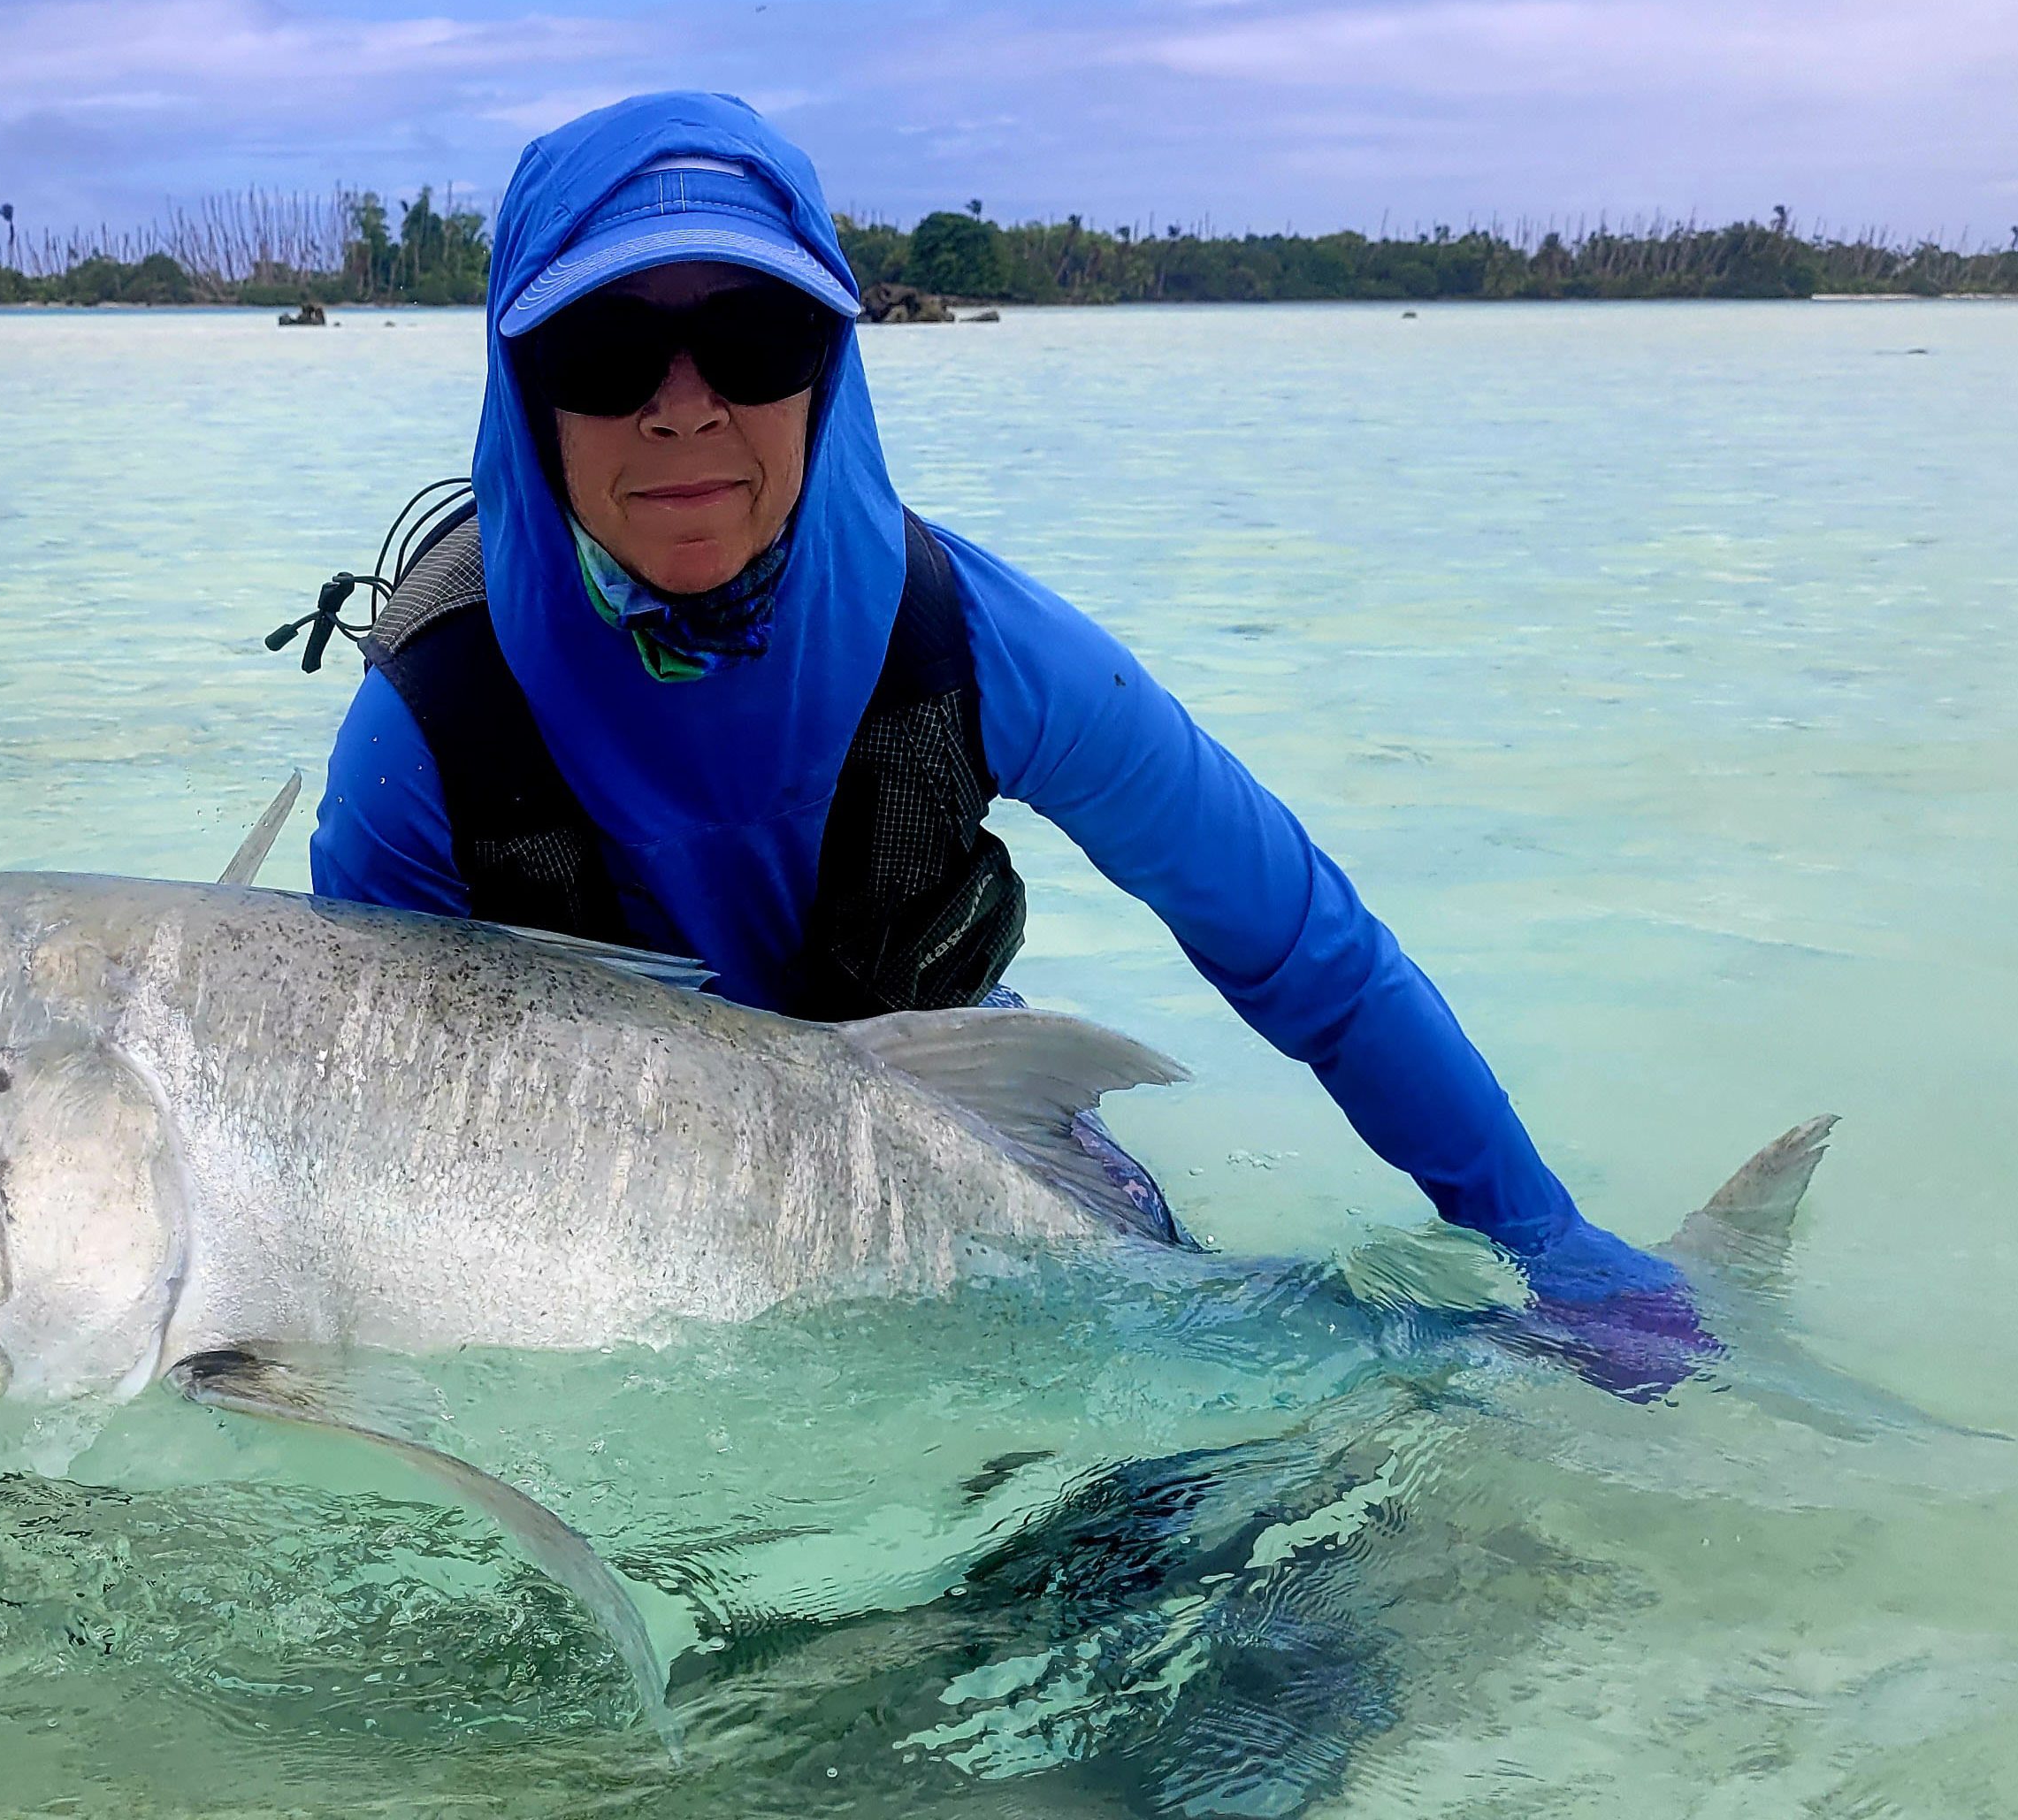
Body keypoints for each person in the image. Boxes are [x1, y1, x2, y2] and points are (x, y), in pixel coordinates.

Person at [305, 91, 1704, 1395]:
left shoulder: (972, 646)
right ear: (519, 384)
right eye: (601, 351)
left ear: (830, 370)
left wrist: (1541, 1237)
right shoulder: (425, 731)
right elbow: (370, 1145)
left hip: (984, 1180)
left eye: (756, 340)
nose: (684, 405)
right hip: (624, 1245)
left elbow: (1302, 954)